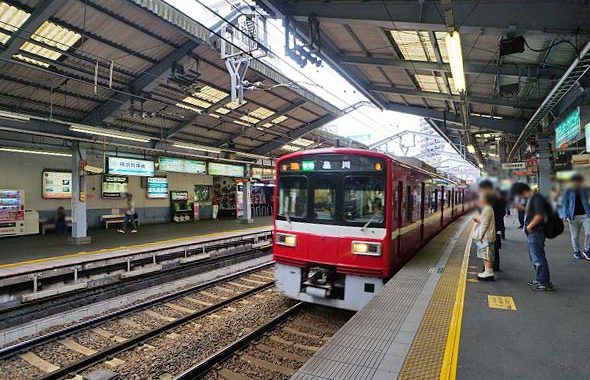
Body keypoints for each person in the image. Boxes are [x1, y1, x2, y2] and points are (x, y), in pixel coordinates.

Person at [511, 182, 553, 291]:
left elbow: (539, 215)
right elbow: (531, 212)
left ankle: (543, 282)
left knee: (538, 258)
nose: (519, 197)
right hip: (533, 232)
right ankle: (540, 279)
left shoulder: (536, 198)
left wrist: (529, 227)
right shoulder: (532, 198)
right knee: (535, 257)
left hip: (536, 232)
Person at [560, 174, 590, 260]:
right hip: (573, 216)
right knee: (575, 236)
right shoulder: (568, 190)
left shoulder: (585, 189)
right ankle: (576, 252)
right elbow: (565, 202)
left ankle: (587, 250)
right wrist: (564, 215)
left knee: (589, 233)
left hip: (586, 214)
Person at [478, 180, 505, 271]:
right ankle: (495, 267)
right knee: (494, 247)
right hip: (496, 226)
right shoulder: (499, 197)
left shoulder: (490, 201)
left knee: (487, 249)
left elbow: (486, 220)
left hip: (489, 229)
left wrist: (480, 235)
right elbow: (503, 212)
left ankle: (488, 269)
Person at [472, 192, 496, 281]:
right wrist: (478, 220)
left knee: (487, 254)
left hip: (486, 237)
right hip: (486, 236)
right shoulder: (487, 208)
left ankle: (489, 272)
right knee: (484, 254)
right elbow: (484, 221)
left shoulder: (487, 209)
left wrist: (481, 236)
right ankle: (487, 271)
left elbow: (485, 224)